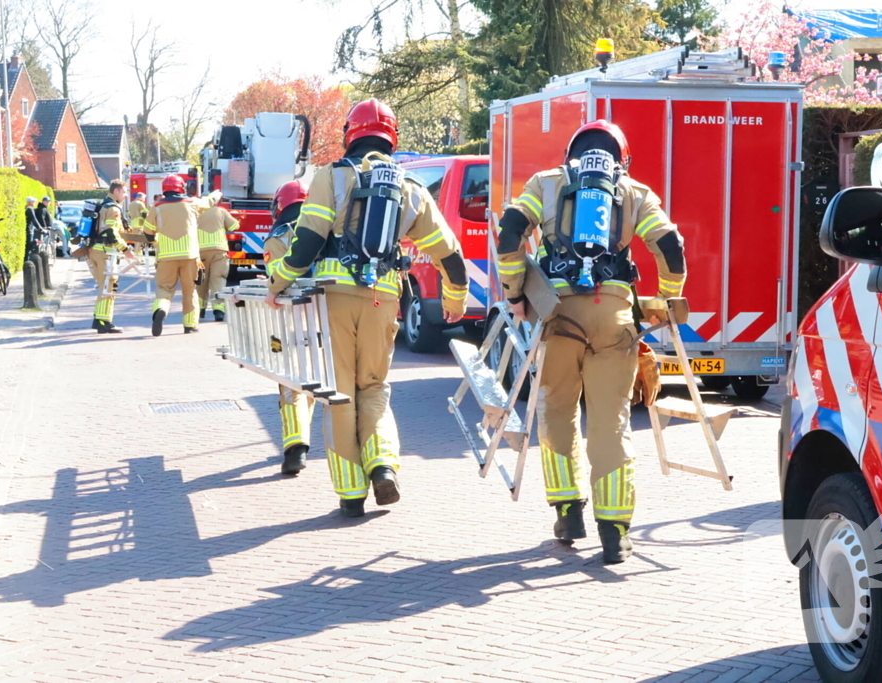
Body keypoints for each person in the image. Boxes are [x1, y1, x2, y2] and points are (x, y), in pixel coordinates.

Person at [265, 98, 469, 518]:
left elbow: (305, 244)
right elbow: (449, 253)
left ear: (349, 135)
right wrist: (455, 298)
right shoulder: (409, 188)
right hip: (383, 298)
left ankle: (351, 493)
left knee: (339, 395)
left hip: (334, 300)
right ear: (391, 138)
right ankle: (384, 466)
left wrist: (277, 282)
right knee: (374, 387)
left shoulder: (331, 176)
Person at [495, 119, 685, 564]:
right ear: (622, 159)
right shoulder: (636, 192)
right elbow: (670, 244)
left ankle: (568, 512)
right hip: (614, 316)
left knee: (557, 411)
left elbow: (509, 232)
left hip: (558, 313)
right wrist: (668, 298)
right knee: (611, 421)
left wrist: (516, 292)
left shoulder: (545, 182)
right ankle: (614, 531)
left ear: (571, 154)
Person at [263, 181, 314, 476]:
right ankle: (302, 439)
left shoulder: (278, 235)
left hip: (286, 323)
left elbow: (277, 279)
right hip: (324, 321)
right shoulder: (323, 225)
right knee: (316, 376)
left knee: (288, 378)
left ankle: (295, 444)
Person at [142, 175, 217, 336]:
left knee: (164, 289)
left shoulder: (156, 207)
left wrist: (154, 238)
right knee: (190, 290)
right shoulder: (192, 203)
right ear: (181, 188)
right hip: (190, 255)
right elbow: (209, 202)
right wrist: (217, 193)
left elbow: (147, 231)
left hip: (166, 256)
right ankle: (190, 325)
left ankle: (161, 309)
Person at [87, 181, 136, 333]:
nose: (126, 195)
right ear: (117, 191)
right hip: (105, 253)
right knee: (109, 286)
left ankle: (100, 319)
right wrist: (125, 249)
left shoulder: (104, 204)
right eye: (125, 191)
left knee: (105, 286)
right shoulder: (113, 208)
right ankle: (103, 321)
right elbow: (111, 231)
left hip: (96, 250)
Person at [196, 193, 236, 322]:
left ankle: (199, 310)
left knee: (200, 281)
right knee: (217, 280)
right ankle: (218, 311)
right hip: (219, 251)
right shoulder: (221, 211)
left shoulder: (195, 212)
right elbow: (234, 226)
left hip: (199, 252)